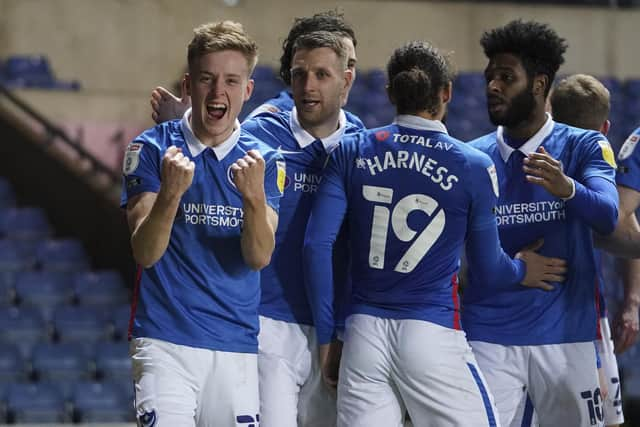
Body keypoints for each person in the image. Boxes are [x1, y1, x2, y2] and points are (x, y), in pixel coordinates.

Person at [303, 40, 567, 427]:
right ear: (446, 93)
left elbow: (317, 245)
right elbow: (488, 270)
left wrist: (330, 335)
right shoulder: (473, 165)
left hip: (362, 335)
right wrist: (522, 269)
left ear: (391, 92)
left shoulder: (352, 150)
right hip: (432, 333)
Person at [121, 21, 283, 426]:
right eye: (208, 79)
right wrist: (172, 193)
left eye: (231, 81)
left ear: (247, 91)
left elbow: (259, 256)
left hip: (236, 345)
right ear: (189, 84)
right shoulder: (151, 147)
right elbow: (145, 251)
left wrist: (253, 197)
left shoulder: (266, 161)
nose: (217, 93)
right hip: (164, 341)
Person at [463, 20, 619, 427]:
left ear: (539, 83)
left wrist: (567, 188)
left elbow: (608, 214)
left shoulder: (585, 145)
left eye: (506, 77)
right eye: (490, 77)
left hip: (566, 337)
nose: (493, 86)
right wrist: (513, 265)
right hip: (488, 336)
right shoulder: (471, 157)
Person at [239, 30, 359, 427]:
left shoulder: (362, 144)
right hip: (270, 322)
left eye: (322, 75)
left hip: (338, 330)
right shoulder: (259, 133)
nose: (308, 86)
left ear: (347, 78)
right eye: (299, 74)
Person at [548, 73, 624, 427]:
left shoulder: (525, 157)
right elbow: (616, 222)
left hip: (521, 314)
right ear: (605, 126)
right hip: (581, 313)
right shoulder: (598, 155)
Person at [150, 10, 364, 129]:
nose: (348, 76)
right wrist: (182, 127)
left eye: (351, 66)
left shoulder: (355, 130)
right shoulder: (265, 125)